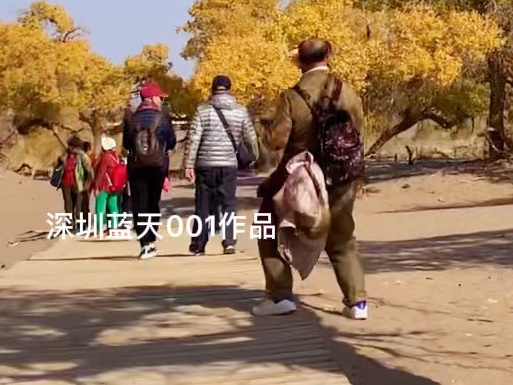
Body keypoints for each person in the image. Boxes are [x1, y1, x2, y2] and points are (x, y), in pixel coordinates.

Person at [253, 38, 367, 320]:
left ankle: (279, 295)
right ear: (328, 56)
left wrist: (262, 128)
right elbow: (359, 134)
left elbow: (277, 143)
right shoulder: (348, 92)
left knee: (266, 226)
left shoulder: (291, 97)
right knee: (341, 237)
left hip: (300, 177)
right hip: (341, 176)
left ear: (300, 62)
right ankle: (357, 302)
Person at [186, 73, 259, 255]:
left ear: (213, 89)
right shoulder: (240, 111)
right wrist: (255, 157)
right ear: (229, 89)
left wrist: (188, 164)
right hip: (228, 164)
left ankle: (199, 244)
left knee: (203, 204)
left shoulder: (202, 111)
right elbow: (251, 137)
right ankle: (229, 241)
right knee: (228, 203)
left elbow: (193, 139)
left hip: (205, 163)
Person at [122, 80, 176, 259]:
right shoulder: (162, 118)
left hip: (136, 166)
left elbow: (127, 143)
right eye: (160, 97)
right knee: (153, 203)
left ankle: (144, 243)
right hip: (157, 166)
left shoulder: (131, 118)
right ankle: (151, 240)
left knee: (139, 204)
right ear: (153, 98)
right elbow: (171, 142)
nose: (161, 100)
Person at [91, 134, 127, 236]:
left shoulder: (105, 158)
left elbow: (101, 173)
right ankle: (114, 228)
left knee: (100, 208)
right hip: (114, 187)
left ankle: (99, 228)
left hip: (104, 186)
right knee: (114, 208)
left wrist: (96, 187)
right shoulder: (115, 158)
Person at [55, 135, 91, 233]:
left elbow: (90, 172)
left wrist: (86, 185)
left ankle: (80, 225)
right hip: (65, 184)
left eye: (71, 145)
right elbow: (57, 168)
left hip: (78, 184)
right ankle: (70, 226)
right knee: (68, 206)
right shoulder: (64, 156)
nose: (69, 147)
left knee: (79, 207)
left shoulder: (82, 156)